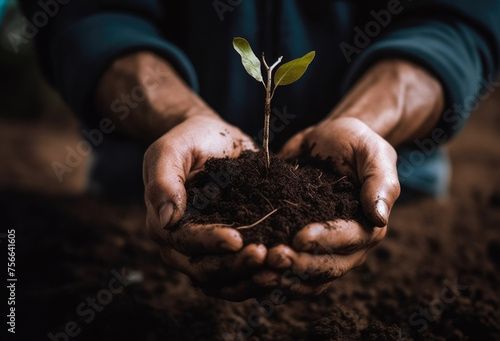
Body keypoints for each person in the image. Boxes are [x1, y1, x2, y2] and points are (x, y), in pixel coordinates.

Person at [18, 0, 500, 301]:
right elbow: (87, 14)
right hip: (133, 205)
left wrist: (364, 123)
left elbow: (460, 19)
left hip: (410, 213)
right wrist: (180, 117)